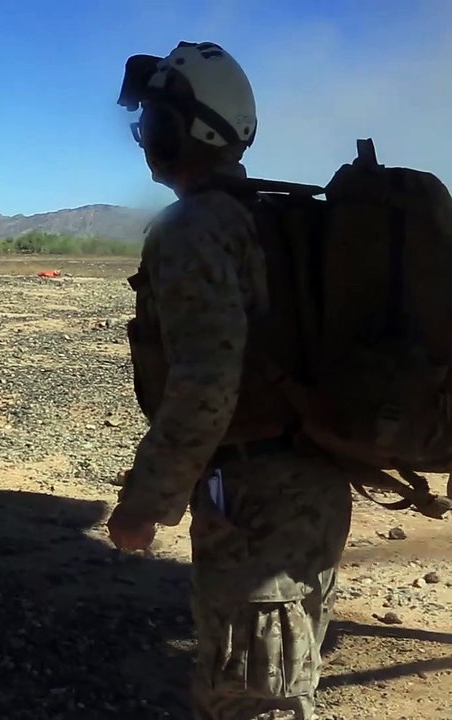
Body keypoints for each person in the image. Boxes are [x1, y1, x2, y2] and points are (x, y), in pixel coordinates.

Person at [106, 42, 354, 719]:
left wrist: (145, 500)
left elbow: (205, 382)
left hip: (256, 495)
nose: (145, 136)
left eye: (155, 119)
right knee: (279, 677)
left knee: (253, 696)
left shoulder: (196, 226)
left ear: (189, 129)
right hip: (314, 478)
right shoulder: (277, 216)